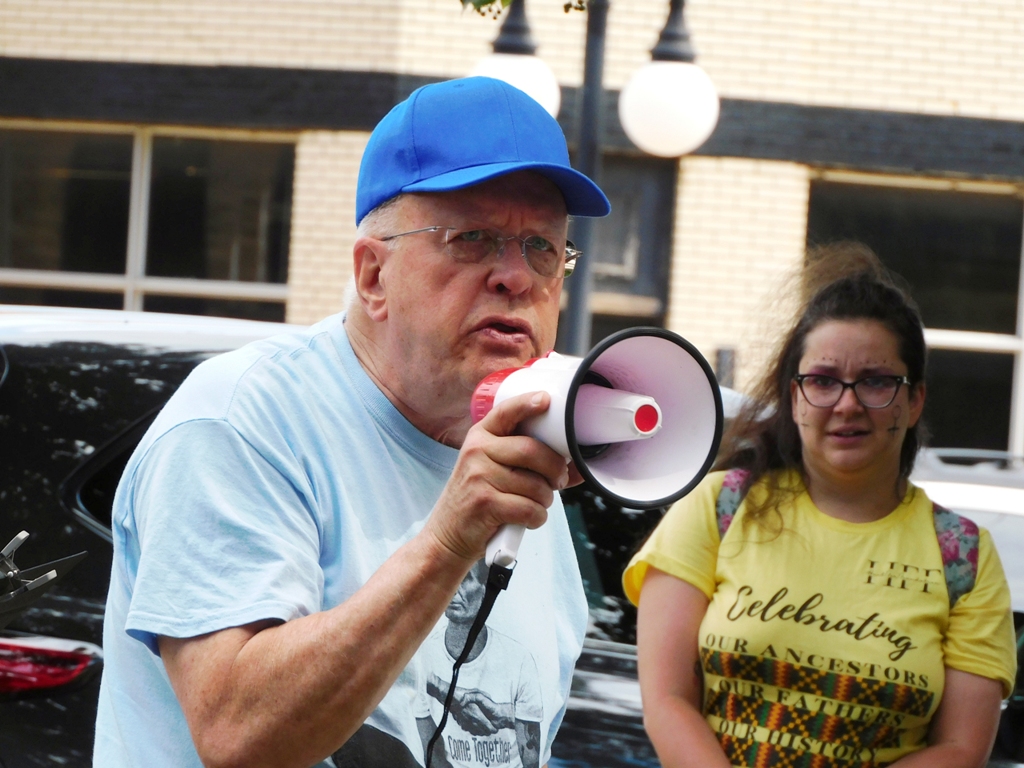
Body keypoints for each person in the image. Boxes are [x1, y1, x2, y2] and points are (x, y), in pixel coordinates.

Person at [93, 76, 609, 768]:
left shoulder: (520, 459)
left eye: (543, 247)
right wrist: (449, 542)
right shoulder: (243, 417)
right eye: (473, 238)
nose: (515, 277)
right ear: (373, 276)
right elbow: (237, 731)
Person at [623, 248, 1018, 768]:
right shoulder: (719, 507)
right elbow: (668, 701)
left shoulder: (964, 556)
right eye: (824, 380)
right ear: (795, 397)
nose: (847, 404)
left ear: (914, 400)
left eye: (876, 381)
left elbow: (961, 748)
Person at [416, 559, 543, 768]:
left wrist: (510, 715)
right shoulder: (424, 656)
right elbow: (432, 752)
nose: (453, 588)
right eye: (449, 577)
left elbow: (531, 759)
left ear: (486, 589)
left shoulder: (519, 659)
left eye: (465, 578)